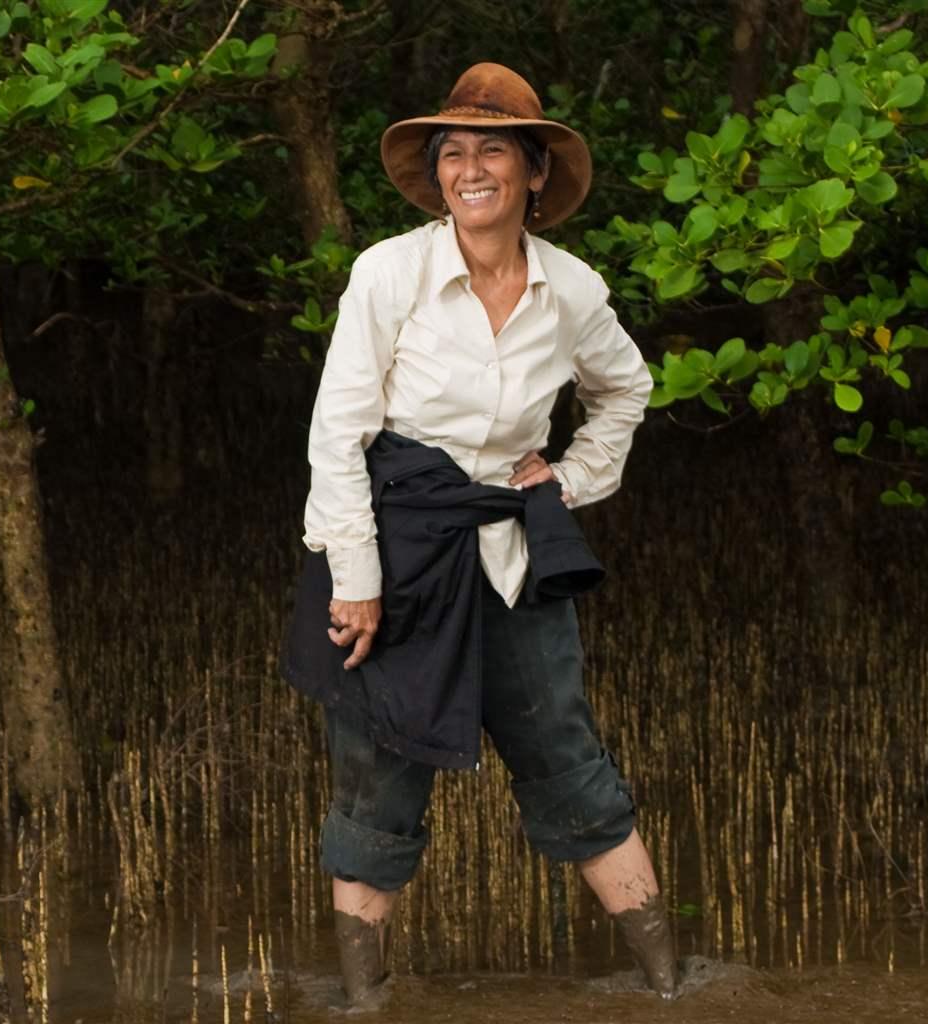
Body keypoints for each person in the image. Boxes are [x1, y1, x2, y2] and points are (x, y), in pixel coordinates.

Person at [292, 63, 675, 1008]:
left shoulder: (573, 289)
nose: (471, 169)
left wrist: (571, 476)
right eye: (453, 153)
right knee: (378, 777)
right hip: (394, 553)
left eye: (492, 150)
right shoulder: (389, 272)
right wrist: (356, 579)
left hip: (509, 552)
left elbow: (626, 390)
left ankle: (674, 991)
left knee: (568, 760)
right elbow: (337, 434)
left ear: (534, 173)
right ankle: (361, 1002)